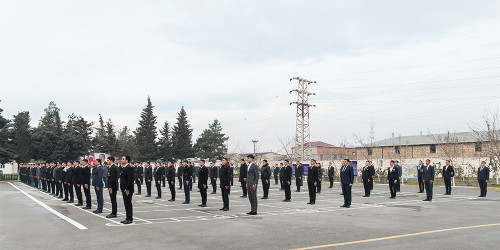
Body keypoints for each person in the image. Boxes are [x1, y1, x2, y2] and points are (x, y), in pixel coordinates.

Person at [120, 155, 134, 224]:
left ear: (127, 160)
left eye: (123, 159)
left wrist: (127, 188)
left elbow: (130, 179)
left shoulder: (129, 168)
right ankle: (127, 217)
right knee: (126, 203)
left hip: (127, 189)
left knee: (128, 203)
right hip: (124, 188)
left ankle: (130, 218)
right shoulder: (124, 168)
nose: (121, 160)